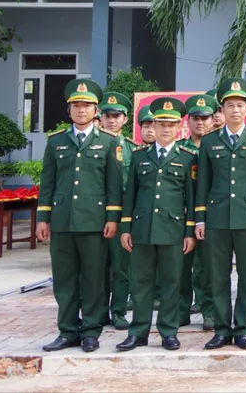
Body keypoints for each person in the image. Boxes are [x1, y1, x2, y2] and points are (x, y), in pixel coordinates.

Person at [37, 79, 124, 353]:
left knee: (93, 278)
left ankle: (90, 331)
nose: (81, 109)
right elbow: (48, 183)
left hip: (95, 221)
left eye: (86, 105)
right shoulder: (56, 142)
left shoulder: (109, 143)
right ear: (69, 110)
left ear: (96, 109)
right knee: (64, 279)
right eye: (76, 105)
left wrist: (112, 218)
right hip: (63, 221)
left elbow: (114, 184)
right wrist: (43, 218)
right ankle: (67, 331)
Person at [194, 77, 246, 350]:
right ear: (222, 110)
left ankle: (242, 327)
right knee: (218, 275)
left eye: (240, 105)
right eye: (230, 105)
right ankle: (221, 328)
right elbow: (202, 182)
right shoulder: (209, 142)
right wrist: (200, 218)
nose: (235, 110)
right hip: (216, 218)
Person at [116, 97, 196, 352]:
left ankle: (168, 332)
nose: (164, 129)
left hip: (173, 231)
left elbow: (192, 200)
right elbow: (130, 195)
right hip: (142, 229)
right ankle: (138, 332)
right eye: (160, 123)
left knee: (172, 283)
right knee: (141, 283)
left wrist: (190, 232)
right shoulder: (140, 157)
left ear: (178, 127)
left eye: (170, 124)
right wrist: (126, 228)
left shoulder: (186, 158)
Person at [178, 93, 218, 331]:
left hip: (208, 216)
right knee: (180, 267)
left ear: (213, 120)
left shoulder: (217, 147)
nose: (200, 123)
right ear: (188, 121)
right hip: (180, 215)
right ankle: (181, 311)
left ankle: (209, 312)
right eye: (195, 118)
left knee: (206, 268)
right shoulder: (180, 148)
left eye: (204, 118)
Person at [99, 92, 135, 331]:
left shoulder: (133, 148)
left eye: (117, 116)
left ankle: (119, 311)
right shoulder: (94, 144)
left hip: (122, 218)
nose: (112, 120)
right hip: (97, 216)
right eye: (107, 115)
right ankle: (98, 313)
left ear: (125, 119)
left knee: (122, 269)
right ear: (100, 118)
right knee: (97, 267)